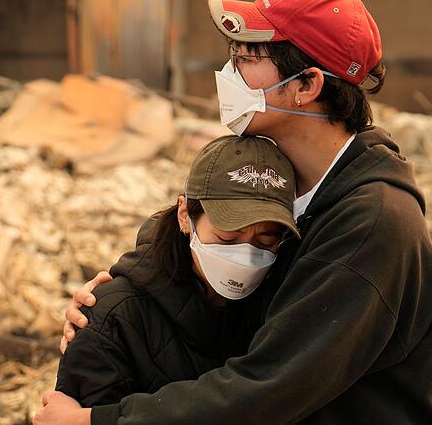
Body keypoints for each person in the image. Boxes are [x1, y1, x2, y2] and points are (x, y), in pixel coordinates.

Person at [37, 0, 432, 424]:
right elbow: (207, 226)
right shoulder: (295, 179)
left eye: (246, 59)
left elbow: (268, 388)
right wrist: (115, 305)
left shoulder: (371, 221)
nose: (229, 75)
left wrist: (96, 422)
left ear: (308, 85)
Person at [54, 135, 299, 410]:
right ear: (185, 215)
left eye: (265, 241)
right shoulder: (115, 318)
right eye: (227, 237)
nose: (246, 255)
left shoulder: (283, 304)